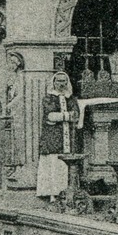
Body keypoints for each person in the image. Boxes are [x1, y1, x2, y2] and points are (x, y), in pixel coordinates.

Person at [38, 71, 79, 200]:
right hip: (53, 136)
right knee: (54, 163)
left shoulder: (71, 98)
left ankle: (68, 193)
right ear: (54, 83)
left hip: (68, 136)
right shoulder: (49, 98)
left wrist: (68, 116)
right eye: (58, 81)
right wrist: (67, 116)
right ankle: (53, 194)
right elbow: (50, 116)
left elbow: (76, 114)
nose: (61, 84)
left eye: (64, 81)